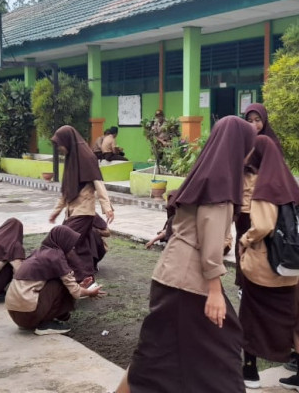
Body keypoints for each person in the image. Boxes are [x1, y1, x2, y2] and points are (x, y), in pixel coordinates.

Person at [115, 115, 256, 393]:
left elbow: (182, 221)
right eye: (249, 146)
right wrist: (215, 291)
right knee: (223, 349)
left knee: (157, 354)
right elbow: (209, 239)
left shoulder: (203, 173)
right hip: (189, 284)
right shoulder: (221, 182)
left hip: (170, 277)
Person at [238, 135, 299, 392]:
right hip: (289, 266)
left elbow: (263, 225)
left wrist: (245, 239)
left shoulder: (265, 187)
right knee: (293, 319)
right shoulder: (289, 185)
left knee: (250, 315)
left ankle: (250, 372)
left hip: (263, 266)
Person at [5, 225, 105, 335]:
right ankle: (45, 324)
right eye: (71, 244)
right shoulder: (56, 256)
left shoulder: (39, 252)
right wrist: (89, 292)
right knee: (60, 284)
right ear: (63, 241)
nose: (72, 249)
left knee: (61, 282)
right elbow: (74, 291)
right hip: (28, 314)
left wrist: (79, 286)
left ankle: (42, 319)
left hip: (16, 314)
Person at [49, 125, 114, 282]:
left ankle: (80, 276)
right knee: (81, 245)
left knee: (63, 240)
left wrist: (107, 208)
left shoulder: (87, 158)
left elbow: (98, 183)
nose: (60, 149)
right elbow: (67, 191)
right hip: (72, 212)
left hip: (83, 211)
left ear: (68, 140)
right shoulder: (72, 160)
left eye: (61, 144)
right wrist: (56, 211)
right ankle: (86, 276)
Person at [234, 103, 283, 293]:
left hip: (265, 206)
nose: (254, 125)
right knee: (242, 244)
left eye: (257, 120)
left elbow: (277, 173)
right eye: (249, 121)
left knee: (262, 244)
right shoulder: (243, 143)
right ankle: (242, 284)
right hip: (245, 207)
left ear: (264, 120)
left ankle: (260, 282)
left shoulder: (272, 143)